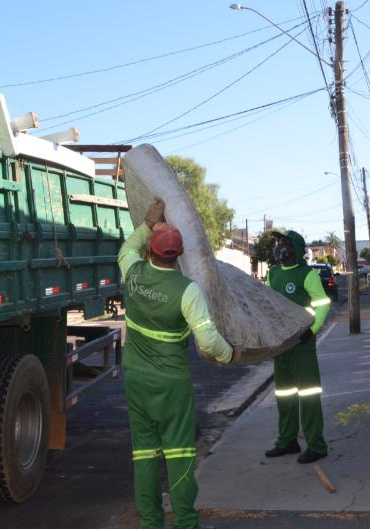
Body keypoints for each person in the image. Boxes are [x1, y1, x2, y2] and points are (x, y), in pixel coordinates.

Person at [118, 198, 237, 529]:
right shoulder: (187, 291)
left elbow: (128, 248)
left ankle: (151, 523)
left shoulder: (133, 272)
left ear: (151, 251)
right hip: (171, 384)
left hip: (136, 380)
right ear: (178, 255)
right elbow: (208, 341)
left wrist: (146, 224)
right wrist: (231, 354)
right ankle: (185, 522)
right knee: (179, 453)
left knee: (143, 453)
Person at [264, 230, 331, 463]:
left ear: (295, 248)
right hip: (281, 344)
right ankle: (287, 441)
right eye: (278, 242)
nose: (279, 246)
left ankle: (316, 445)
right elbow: (268, 305)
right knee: (284, 394)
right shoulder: (272, 274)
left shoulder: (308, 274)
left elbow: (322, 305)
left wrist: (311, 330)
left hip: (302, 343)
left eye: (284, 242)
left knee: (309, 395)